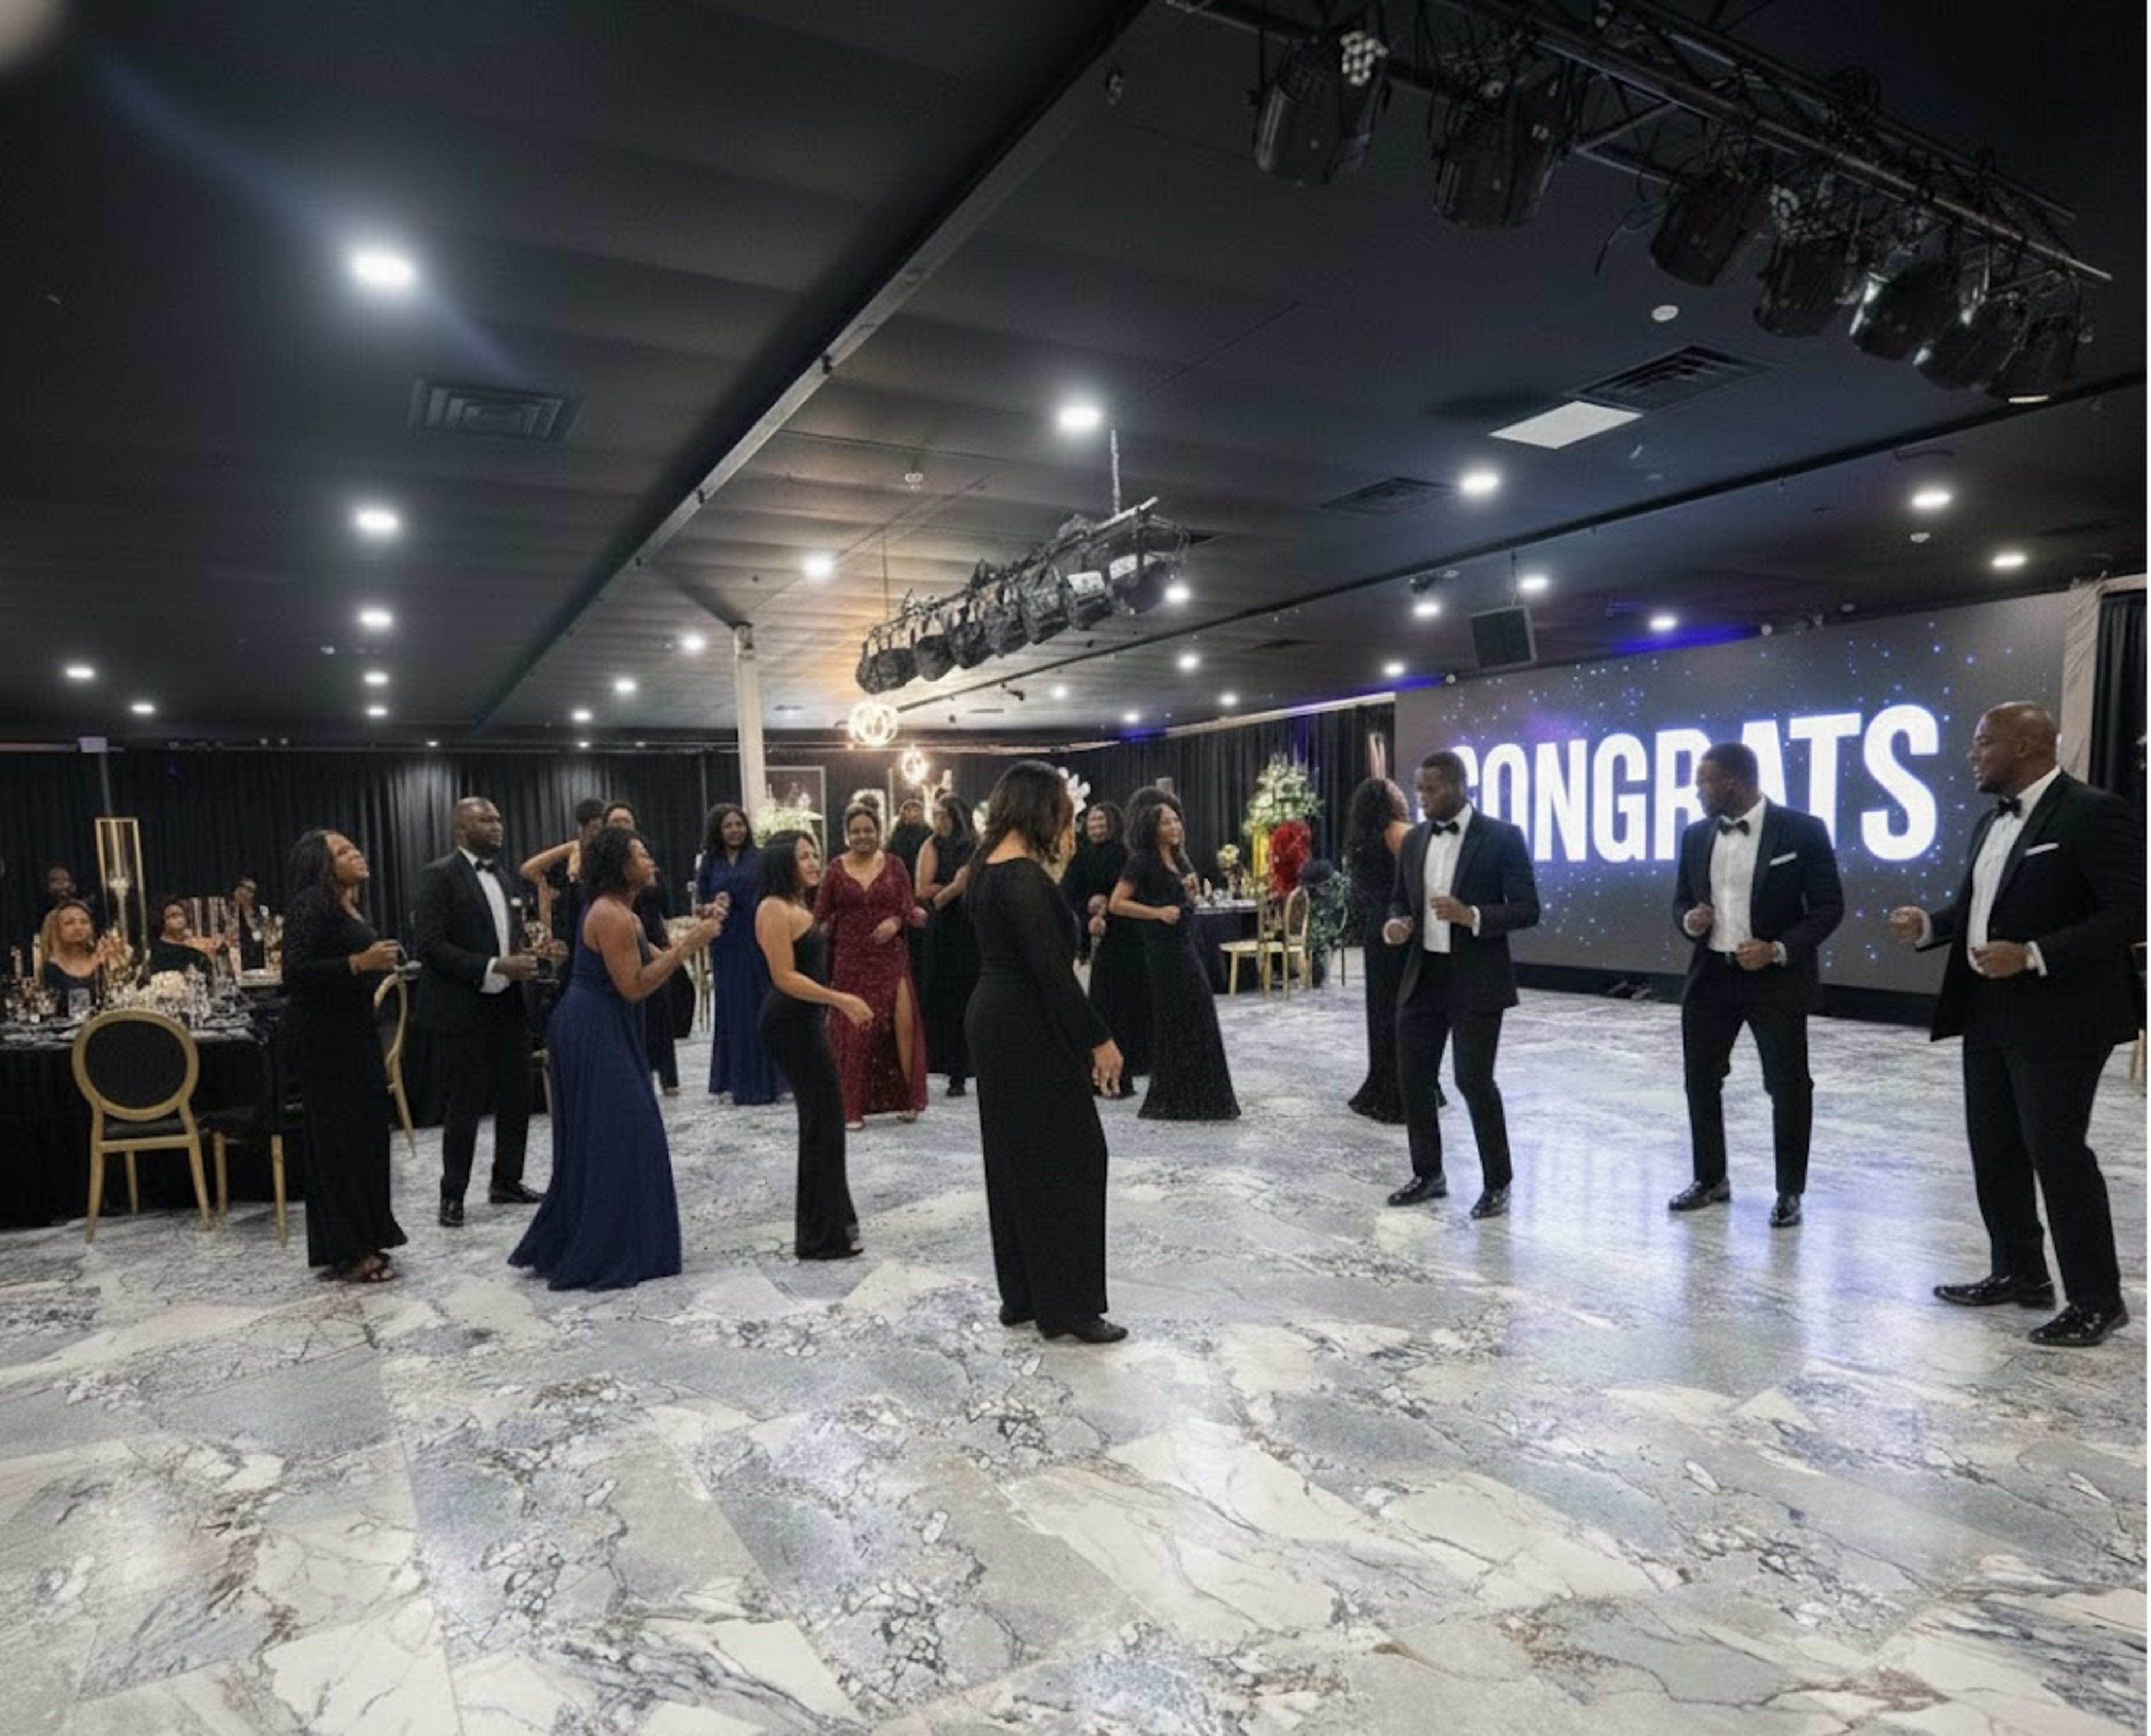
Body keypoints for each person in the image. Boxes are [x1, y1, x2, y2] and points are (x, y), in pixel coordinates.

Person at [1888, 702, 2144, 1348]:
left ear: (2028, 744)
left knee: (2057, 1155)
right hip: (1987, 1009)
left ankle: (2097, 1300)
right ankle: (2020, 1270)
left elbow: (2132, 911)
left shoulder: (2091, 811)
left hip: (2063, 1014)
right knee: (1995, 1148)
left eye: (1983, 743)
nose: (1972, 755)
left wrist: (2033, 955)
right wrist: (1932, 928)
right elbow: (1978, 907)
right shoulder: (1988, 822)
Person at [510, 827, 719, 1290]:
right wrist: (689, 946)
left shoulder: (624, 912)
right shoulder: (612, 916)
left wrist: (696, 936)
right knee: (625, 1132)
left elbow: (652, 962)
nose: (652, 861)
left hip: (604, 1024)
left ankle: (619, 1235)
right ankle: (613, 1244)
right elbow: (635, 985)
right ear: (623, 867)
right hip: (593, 1028)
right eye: (642, 854)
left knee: (614, 1131)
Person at [967, 761, 1128, 1343]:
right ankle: (1072, 1308)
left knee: (1014, 1160)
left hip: (994, 1017)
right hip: (1026, 1022)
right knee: (1075, 1157)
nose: (1070, 819)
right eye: (1063, 809)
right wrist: (1099, 1040)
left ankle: (1026, 1296)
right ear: (1042, 808)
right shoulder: (1025, 880)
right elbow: (1054, 977)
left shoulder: (985, 867)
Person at [1669, 742, 1844, 1228]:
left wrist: (1779, 948)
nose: (1697, 790)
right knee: (1700, 1080)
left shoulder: (1802, 830)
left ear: (1733, 781)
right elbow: (1681, 898)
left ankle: (1790, 1190)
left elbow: (1829, 906)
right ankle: (1710, 1178)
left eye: (1703, 781)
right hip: (1710, 977)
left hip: (1776, 979)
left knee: (1788, 1086)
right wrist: (1690, 919)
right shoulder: (1695, 835)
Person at [1380, 750, 1540, 1220]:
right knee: (1413, 1080)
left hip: (1476, 980)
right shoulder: (1413, 842)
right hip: (1423, 975)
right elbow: (1396, 901)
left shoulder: (1502, 837)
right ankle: (1428, 1173)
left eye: (1429, 789)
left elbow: (1529, 907)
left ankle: (1498, 1182)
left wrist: (1472, 915)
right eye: (1419, 789)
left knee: (1473, 1080)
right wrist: (1396, 925)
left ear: (1457, 786)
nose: (1421, 798)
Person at [412, 797, 554, 1227]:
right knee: (465, 1104)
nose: (496, 826)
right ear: (460, 831)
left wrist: (533, 954)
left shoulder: (505, 878)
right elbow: (431, 946)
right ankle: (452, 1195)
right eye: (484, 820)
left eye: (498, 818)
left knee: (516, 1096)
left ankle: (506, 1181)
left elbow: (506, 939)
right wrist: (494, 966)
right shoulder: (440, 876)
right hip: (463, 1006)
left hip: (507, 1003)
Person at [282, 829, 407, 1283]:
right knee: (339, 1141)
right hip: (326, 1038)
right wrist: (359, 963)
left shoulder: (347, 903)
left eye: (355, 845)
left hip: (354, 1031)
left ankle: (369, 1235)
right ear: (321, 863)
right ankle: (348, 1248)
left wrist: (373, 964)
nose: (356, 851)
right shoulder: (313, 901)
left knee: (367, 1137)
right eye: (343, 850)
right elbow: (294, 971)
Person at [756, 829, 876, 1259]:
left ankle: (832, 1225)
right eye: (802, 856)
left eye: (814, 854)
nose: (813, 862)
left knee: (825, 1121)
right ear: (782, 863)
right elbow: (784, 977)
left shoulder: (795, 905)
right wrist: (839, 1000)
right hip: (789, 1023)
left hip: (806, 1019)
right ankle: (820, 1235)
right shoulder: (773, 908)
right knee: (822, 1122)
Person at [1111, 797, 1239, 1121]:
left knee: (1197, 1014)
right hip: (1163, 950)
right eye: (1166, 822)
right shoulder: (1141, 861)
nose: (1175, 826)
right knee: (1176, 1017)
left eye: (1176, 821)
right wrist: (1156, 913)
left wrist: (1190, 893)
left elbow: (1181, 902)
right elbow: (1117, 904)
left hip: (1184, 942)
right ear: (1153, 830)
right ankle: (1176, 1096)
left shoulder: (1179, 859)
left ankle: (1200, 1093)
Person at [812, 803, 928, 1128]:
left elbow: (908, 907)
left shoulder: (895, 865)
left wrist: (899, 920)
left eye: (868, 830)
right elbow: (819, 914)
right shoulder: (835, 869)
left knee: (902, 1025)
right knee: (855, 1031)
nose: (862, 837)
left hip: (891, 958)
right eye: (856, 832)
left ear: (879, 832)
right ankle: (851, 1107)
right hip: (850, 961)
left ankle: (908, 1100)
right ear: (847, 835)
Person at [695, 803, 782, 1104]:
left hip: (756, 938)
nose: (735, 830)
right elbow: (698, 905)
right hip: (725, 943)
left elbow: (773, 895)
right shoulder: (710, 862)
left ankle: (765, 1081)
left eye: (739, 824)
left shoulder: (759, 859)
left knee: (760, 1004)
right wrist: (710, 908)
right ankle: (735, 1079)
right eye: (729, 826)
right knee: (733, 1008)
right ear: (719, 830)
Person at [599, 800, 686, 1096]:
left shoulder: (646, 868)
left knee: (661, 1009)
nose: (622, 826)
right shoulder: (605, 892)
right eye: (616, 822)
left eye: (627, 821)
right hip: (624, 945)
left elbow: (666, 906)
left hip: (652, 935)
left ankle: (668, 1075)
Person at [1344, 777, 1414, 1124]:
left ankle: (1383, 1084)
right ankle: (1405, 1090)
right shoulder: (1403, 833)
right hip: (1401, 929)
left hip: (1376, 931)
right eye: (1396, 790)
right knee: (1406, 1011)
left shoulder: (1361, 842)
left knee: (1382, 1012)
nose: (1403, 793)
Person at [1064, 802, 1147, 1096]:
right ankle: (1098, 1074)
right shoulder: (1081, 857)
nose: (1096, 827)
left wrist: (1107, 910)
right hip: (1098, 940)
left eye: (1102, 822)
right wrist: (1088, 911)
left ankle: (1126, 1073)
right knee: (1100, 1004)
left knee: (1123, 1006)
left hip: (1127, 938)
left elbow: (1136, 892)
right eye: (1092, 823)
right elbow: (1067, 895)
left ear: (1113, 824)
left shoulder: (1126, 856)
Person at [916, 793, 981, 1097]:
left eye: (944, 815)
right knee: (946, 999)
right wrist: (955, 887)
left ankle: (973, 1065)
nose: (938, 821)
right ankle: (952, 1070)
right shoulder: (932, 845)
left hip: (974, 928)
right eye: (936, 814)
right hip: (944, 929)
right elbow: (923, 889)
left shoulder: (977, 846)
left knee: (973, 998)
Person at [520, 798, 607, 950]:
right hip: (570, 930)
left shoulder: (609, 857)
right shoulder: (567, 857)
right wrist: (547, 932)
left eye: (600, 830)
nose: (595, 835)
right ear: (581, 828)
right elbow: (528, 871)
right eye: (593, 829)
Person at [888, 795, 933, 991]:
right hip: (898, 895)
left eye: (916, 810)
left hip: (922, 896)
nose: (912, 813)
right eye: (909, 809)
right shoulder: (895, 838)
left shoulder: (930, 836)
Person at [38, 900, 119, 1007]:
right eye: (69, 923)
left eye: (84, 922)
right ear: (57, 929)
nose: (78, 928)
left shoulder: (103, 962)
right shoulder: (50, 968)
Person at [145, 897, 226, 976]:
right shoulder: (157, 950)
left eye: (181, 915)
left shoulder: (196, 944)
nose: (179, 920)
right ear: (163, 921)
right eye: (173, 916)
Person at [227, 876, 269, 971]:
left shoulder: (261, 912)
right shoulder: (227, 909)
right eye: (242, 887)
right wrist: (236, 908)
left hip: (254, 959)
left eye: (249, 890)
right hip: (233, 956)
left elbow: (259, 937)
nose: (244, 892)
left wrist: (247, 910)